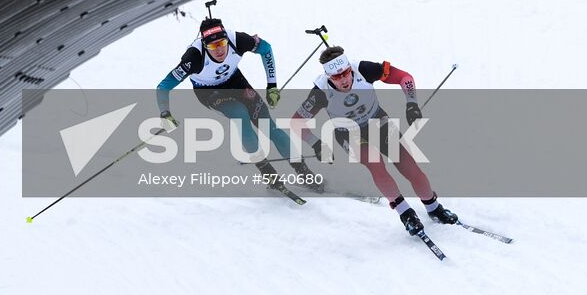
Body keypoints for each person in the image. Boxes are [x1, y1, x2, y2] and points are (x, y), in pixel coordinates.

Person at [292, 45, 460, 236]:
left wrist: (411, 104)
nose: (344, 80)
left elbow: (405, 78)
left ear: (349, 67)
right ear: (328, 77)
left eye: (346, 73)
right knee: (376, 163)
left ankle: (434, 208)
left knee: (409, 167)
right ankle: (406, 213)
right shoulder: (320, 92)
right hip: (349, 133)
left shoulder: (364, 69)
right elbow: (296, 122)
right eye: (337, 77)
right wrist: (316, 144)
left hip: (378, 122)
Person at [156, 16, 318, 190]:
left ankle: (304, 172)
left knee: (269, 126)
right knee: (240, 114)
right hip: (209, 91)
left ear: (227, 38)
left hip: (235, 81)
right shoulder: (193, 58)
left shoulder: (238, 40)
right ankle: (267, 172)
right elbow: (163, 86)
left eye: (222, 43)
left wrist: (272, 86)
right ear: (204, 45)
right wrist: (165, 113)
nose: (219, 50)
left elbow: (266, 49)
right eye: (212, 46)